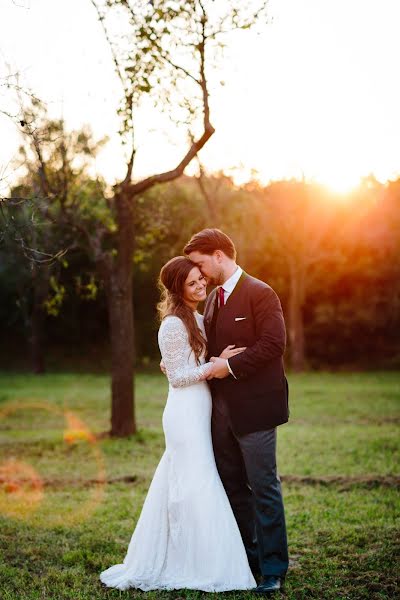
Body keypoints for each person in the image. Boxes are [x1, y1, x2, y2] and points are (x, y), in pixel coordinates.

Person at [99, 256, 256, 592]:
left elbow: (181, 362)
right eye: (192, 283)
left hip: (201, 408)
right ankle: (199, 564)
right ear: (177, 288)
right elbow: (178, 376)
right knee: (196, 482)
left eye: (201, 279)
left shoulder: (197, 317)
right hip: (184, 413)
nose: (201, 286)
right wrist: (216, 366)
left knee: (189, 480)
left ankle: (192, 556)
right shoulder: (172, 324)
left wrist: (215, 360)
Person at [184, 228, 289, 595]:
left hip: (256, 410)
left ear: (218, 255)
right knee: (232, 488)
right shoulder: (212, 300)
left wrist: (228, 367)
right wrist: (181, 365)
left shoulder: (261, 292)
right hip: (220, 412)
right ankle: (248, 561)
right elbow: (209, 352)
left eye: (199, 263)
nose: (198, 272)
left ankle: (274, 570)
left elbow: (274, 344)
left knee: (263, 487)